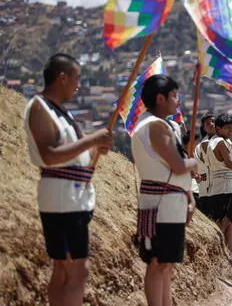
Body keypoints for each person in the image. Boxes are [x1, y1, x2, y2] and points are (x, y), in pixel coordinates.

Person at [24, 53, 114, 306]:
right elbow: (49, 156)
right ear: (62, 78)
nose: (78, 84)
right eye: (76, 78)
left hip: (73, 197)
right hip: (61, 197)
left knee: (66, 268)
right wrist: (92, 140)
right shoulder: (40, 107)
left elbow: (80, 149)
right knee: (75, 268)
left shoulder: (63, 113)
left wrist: (98, 147)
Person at [132, 74, 198, 306]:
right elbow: (178, 165)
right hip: (161, 204)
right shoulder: (154, 126)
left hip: (171, 202)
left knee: (167, 263)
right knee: (158, 262)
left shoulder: (165, 125)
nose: (177, 101)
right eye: (173, 95)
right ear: (160, 98)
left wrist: (189, 196)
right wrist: (194, 162)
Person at [206, 113, 232, 259]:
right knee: (223, 224)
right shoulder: (220, 142)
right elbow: (231, 163)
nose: (231, 131)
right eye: (227, 128)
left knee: (228, 224)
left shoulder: (215, 141)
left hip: (220, 186)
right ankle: (218, 256)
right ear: (218, 128)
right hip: (224, 187)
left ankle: (228, 256)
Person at [195, 112, 215, 214]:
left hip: (221, 189)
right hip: (207, 192)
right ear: (204, 127)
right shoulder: (202, 145)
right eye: (208, 123)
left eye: (213, 121)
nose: (212, 124)